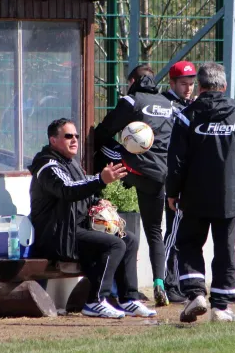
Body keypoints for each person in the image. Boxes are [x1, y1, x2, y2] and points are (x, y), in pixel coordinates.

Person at [28, 118, 156, 318]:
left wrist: (98, 201)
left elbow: (82, 190)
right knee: (115, 245)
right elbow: (67, 190)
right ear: (53, 140)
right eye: (68, 136)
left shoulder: (71, 163)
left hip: (74, 230)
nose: (75, 140)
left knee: (129, 239)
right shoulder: (47, 166)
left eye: (77, 136)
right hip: (57, 235)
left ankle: (128, 299)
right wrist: (100, 180)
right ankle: (95, 301)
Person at [166, 62, 235, 322]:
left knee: (189, 244)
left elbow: (175, 160)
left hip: (193, 196)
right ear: (224, 86)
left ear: (200, 85)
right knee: (225, 249)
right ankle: (221, 307)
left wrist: (172, 192)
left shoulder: (187, 115)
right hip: (229, 196)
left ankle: (195, 294)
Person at [93, 64, 173, 307]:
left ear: (132, 81)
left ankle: (94, 200)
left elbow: (104, 130)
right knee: (154, 230)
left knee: (97, 149)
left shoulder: (132, 100)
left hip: (131, 166)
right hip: (159, 175)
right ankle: (160, 282)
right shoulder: (168, 104)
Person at [161, 61, 196, 304]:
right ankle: (166, 283)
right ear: (172, 83)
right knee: (172, 234)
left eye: (192, 84)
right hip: (170, 178)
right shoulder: (165, 106)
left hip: (190, 179)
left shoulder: (192, 106)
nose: (188, 88)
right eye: (183, 83)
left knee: (185, 234)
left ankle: (182, 283)